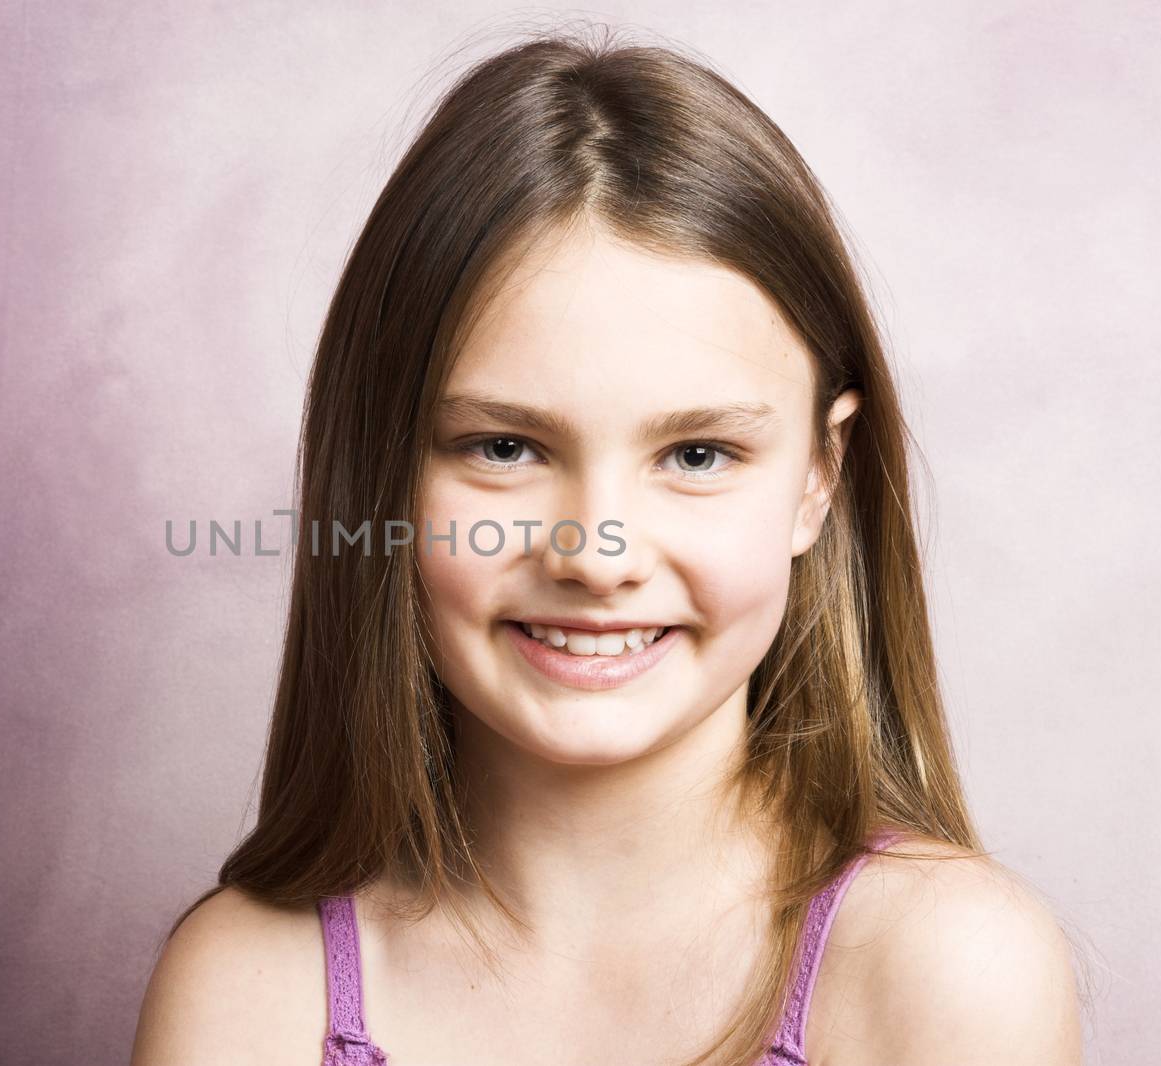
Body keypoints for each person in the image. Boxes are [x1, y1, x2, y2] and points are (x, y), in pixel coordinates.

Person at [131, 26, 1085, 1066]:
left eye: (698, 454)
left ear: (820, 476)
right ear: (384, 476)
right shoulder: (246, 990)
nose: (596, 554)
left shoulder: (947, 973)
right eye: (503, 446)